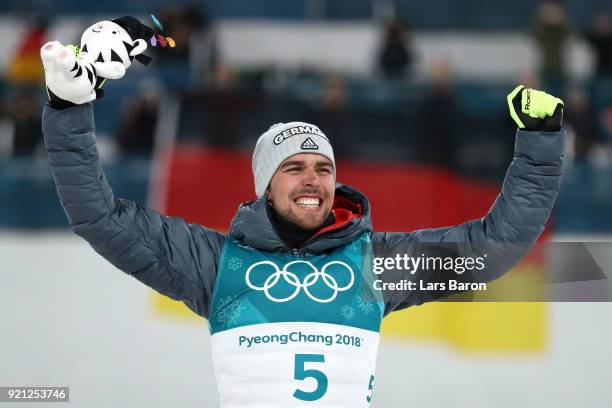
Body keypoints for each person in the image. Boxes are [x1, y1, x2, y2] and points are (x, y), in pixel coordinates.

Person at [41, 38, 564, 407]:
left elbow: (496, 247)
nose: (311, 180)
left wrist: (539, 146)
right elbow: (98, 215)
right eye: (293, 168)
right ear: (265, 184)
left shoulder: (373, 267)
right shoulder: (215, 263)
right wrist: (68, 106)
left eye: (323, 169)